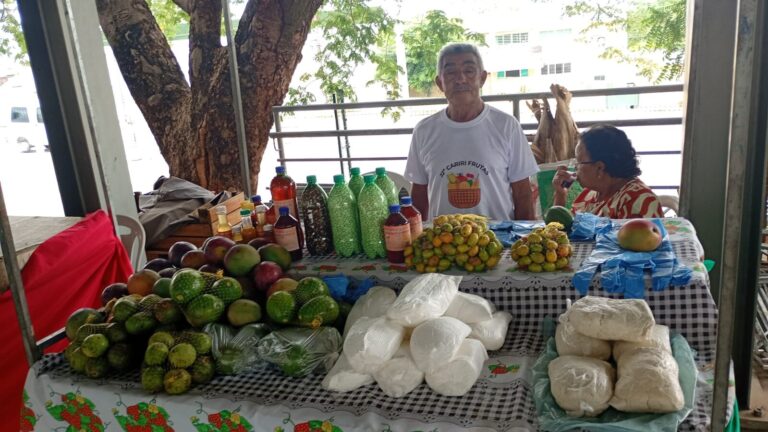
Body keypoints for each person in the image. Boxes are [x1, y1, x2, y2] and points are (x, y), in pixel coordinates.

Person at [404, 43, 538, 221]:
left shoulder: (507, 126)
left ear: (482, 78)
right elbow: (419, 195)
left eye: (469, 71)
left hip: (498, 241)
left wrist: (523, 240)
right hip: (443, 242)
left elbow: (523, 193)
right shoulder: (424, 131)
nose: (460, 79)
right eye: (451, 72)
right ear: (439, 83)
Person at [551, 125, 663, 218]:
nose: (575, 167)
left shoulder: (637, 201)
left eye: (579, 162)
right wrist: (560, 195)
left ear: (599, 168)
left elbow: (641, 242)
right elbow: (560, 233)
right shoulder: (590, 194)